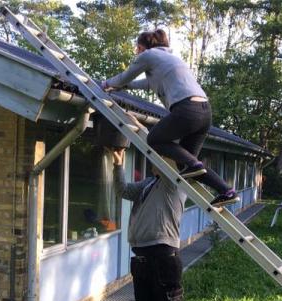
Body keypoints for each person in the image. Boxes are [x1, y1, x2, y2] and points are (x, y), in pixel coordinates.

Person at [101, 29, 238, 207]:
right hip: (204, 113)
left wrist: (106, 84)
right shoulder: (169, 60)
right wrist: (121, 87)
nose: (136, 52)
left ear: (143, 47)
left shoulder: (148, 55)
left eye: (137, 48)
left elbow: (126, 76)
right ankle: (226, 191)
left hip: (187, 110)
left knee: (155, 139)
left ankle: (194, 165)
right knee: (185, 166)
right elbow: (143, 84)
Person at [111, 148, 195, 301]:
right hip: (141, 258)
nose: (151, 159)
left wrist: (147, 132)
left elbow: (164, 151)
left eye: (155, 156)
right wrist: (118, 165)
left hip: (163, 256)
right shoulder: (149, 184)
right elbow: (123, 190)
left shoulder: (173, 183)